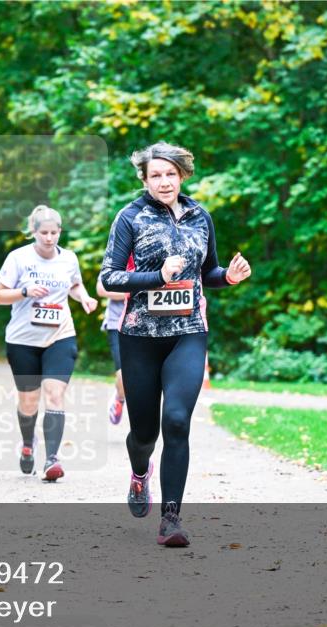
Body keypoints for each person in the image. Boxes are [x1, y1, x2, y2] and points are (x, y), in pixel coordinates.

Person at [99, 142, 251, 546]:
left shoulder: (201, 216)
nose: (163, 182)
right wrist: (156, 278)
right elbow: (109, 278)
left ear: (182, 175)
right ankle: (138, 473)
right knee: (145, 433)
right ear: (145, 180)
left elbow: (209, 271)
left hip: (188, 333)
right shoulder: (129, 217)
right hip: (140, 338)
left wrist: (229, 277)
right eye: (155, 175)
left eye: (170, 174)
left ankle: (171, 519)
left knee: (178, 422)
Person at [0, 205, 98, 482]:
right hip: (22, 339)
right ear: (34, 232)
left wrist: (84, 298)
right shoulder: (18, 258)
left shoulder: (69, 259)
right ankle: (28, 443)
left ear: (60, 232)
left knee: (54, 394)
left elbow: (74, 285)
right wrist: (24, 291)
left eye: (54, 233)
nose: (50, 238)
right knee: (28, 402)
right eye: (44, 233)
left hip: (60, 335)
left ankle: (52, 459)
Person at [95, 276, 128, 425]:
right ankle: (119, 399)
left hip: (144, 325)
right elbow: (101, 289)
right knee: (123, 373)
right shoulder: (116, 254)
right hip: (116, 323)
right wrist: (134, 290)